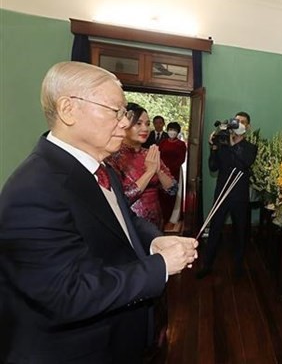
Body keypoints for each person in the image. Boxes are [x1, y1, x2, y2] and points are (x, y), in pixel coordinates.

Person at [0, 61, 198, 363]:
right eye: (115, 111)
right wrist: (159, 266)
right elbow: (66, 294)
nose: (125, 123)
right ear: (69, 109)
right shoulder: (33, 189)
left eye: (125, 114)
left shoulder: (99, 166)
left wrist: (154, 242)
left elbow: (122, 219)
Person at [196, 112, 257, 279]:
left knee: (240, 232)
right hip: (221, 193)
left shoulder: (251, 147)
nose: (238, 124)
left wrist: (231, 144)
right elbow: (213, 167)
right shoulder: (222, 144)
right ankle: (207, 265)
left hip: (239, 197)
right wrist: (214, 148)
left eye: (242, 122)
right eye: (236, 121)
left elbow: (244, 163)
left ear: (248, 127)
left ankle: (238, 267)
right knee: (215, 229)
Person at [106, 103, 177, 231]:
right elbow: (121, 199)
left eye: (147, 124)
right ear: (124, 124)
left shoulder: (150, 154)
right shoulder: (112, 156)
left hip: (156, 221)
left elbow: (172, 189)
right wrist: (149, 172)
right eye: (138, 124)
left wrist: (158, 170)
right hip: (130, 223)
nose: (145, 128)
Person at [159, 122, 187, 224]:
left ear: (178, 132)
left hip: (175, 172)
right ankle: (163, 217)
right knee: (162, 194)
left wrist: (171, 169)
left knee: (172, 194)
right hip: (161, 172)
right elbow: (158, 155)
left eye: (174, 130)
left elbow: (182, 159)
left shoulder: (181, 144)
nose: (172, 132)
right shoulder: (162, 143)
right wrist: (162, 169)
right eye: (170, 129)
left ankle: (172, 217)